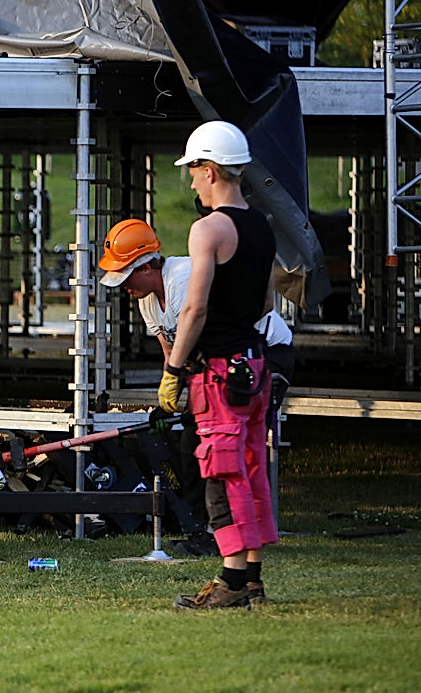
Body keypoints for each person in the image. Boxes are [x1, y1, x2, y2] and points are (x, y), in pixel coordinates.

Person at [98, 219, 294, 557]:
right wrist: (168, 396)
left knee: (231, 449)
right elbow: (171, 352)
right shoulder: (148, 300)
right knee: (192, 443)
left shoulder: (183, 280)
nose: (123, 288)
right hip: (214, 366)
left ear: (145, 267)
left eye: (125, 277)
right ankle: (203, 530)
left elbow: (203, 345)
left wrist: (190, 395)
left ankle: (241, 535)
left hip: (261, 356)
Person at [153, 120, 278, 609]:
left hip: (221, 374)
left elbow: (194, 308)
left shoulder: (209, 229)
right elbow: (267, 302)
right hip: (257, 365)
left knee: (222, 473)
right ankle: (251, 580)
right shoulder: (263, 229)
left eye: (193, 171)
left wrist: (174, 367)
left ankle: (230, 583)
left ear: (210, 170)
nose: (190, 181)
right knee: (251, 469)